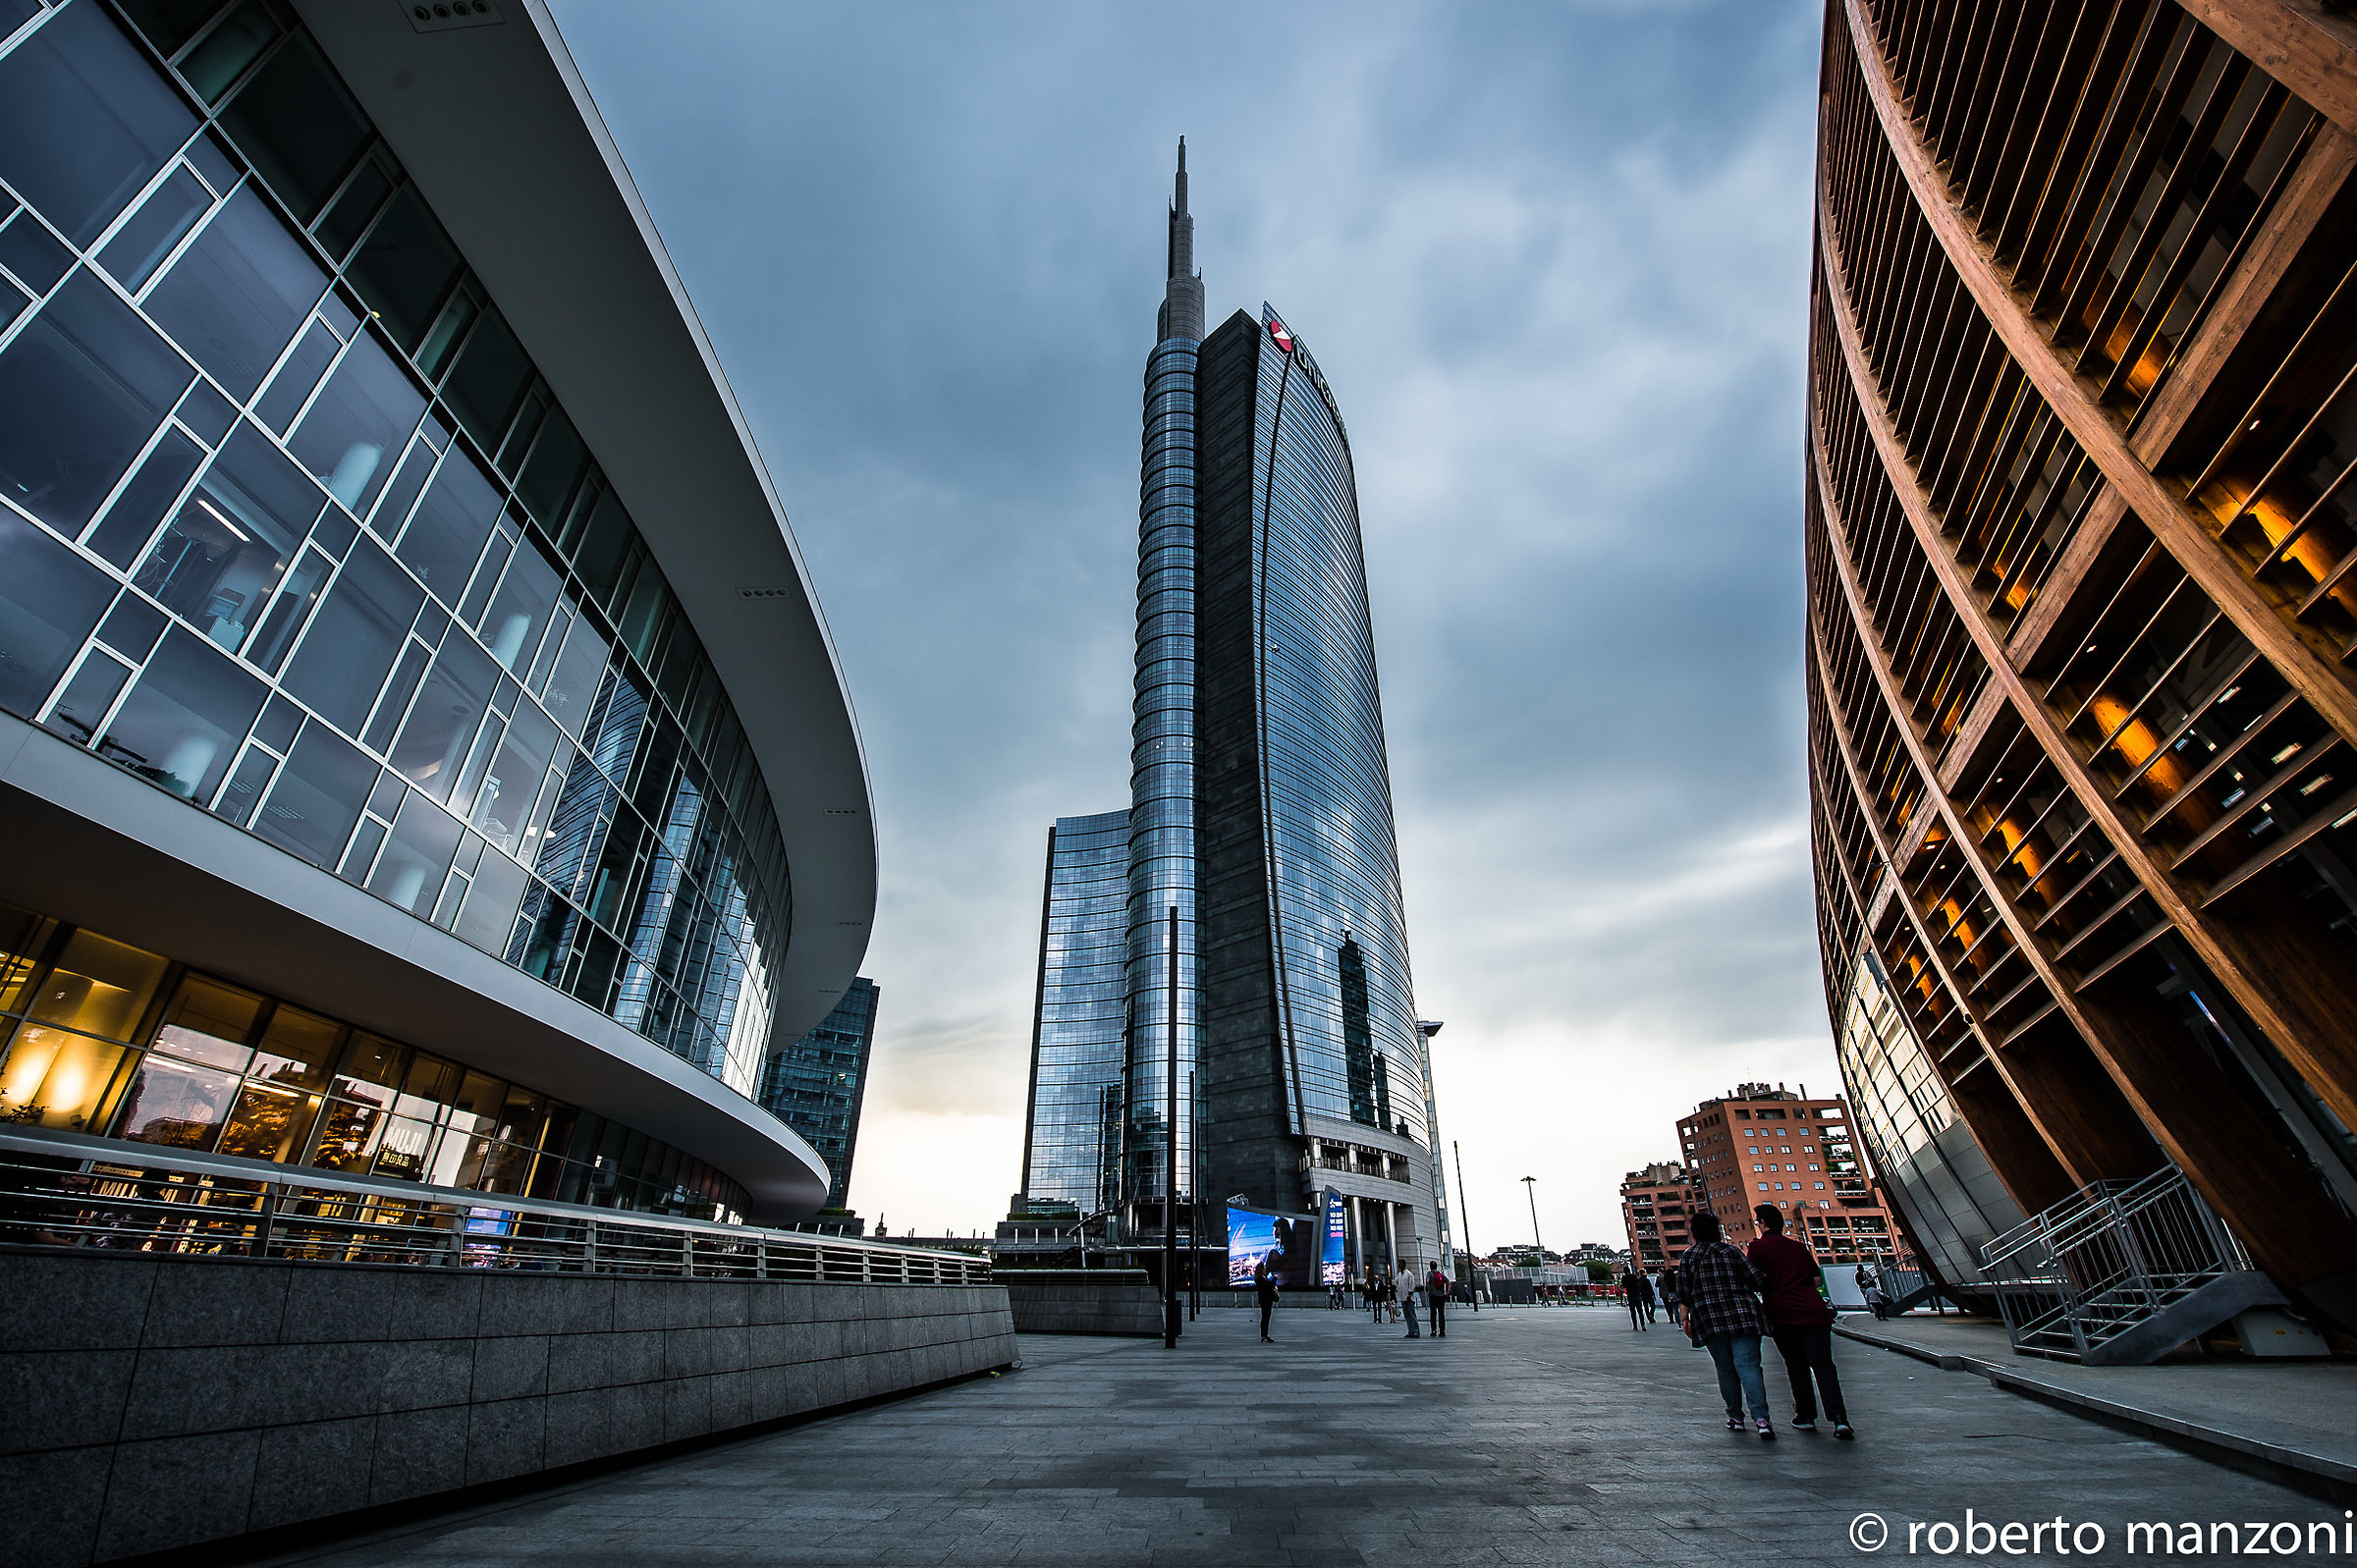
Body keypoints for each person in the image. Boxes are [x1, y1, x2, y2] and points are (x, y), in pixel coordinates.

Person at [1748, 1205, 1854, 1439]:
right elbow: (1816, 1279)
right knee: (1824, 1366)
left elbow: (1753, 1279)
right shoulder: (1797, 1247)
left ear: (1763, 1223)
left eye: (1757, 1222)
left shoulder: (1758, 1248)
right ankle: (1839, 1419)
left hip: (1782, 1315)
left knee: (1796, 1366)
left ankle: (1806, 1416)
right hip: (1814, 1313)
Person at [1678, 1211, 1775, 1439]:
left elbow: (1683, 1293)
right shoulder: (1731, 1251)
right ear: (1716, 1230)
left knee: (1725, 1369)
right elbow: (1757, 1280)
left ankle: (1735, 1417)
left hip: (1710, 1319)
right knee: (1749, 1366)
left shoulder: (1690, 1256)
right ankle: (1761, 1420)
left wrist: (1685, 1319)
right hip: (1743, 1316)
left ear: (1695, 1233)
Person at [1254, 1257, 1280, 1342]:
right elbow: (1268, 1287)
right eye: (1264, 1268)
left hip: (1267, 1300)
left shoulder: (1262, 1277)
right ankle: (1264, 1335)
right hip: (1265, 1300)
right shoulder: (1260, 1279)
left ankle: (1264, 1335)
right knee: (1265, 1318)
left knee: (1266, 1318)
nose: (1265, 1269)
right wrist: (1275, 1278)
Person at [1622, 1265, 1651, 1331]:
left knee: (1633, 1312)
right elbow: (1638, 1284)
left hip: (1630, 1296)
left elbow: (1623, 1286)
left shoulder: (1624, 1278)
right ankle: (1643, 1325)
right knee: (1640, 1311)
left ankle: (1635, 1326)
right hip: (1637, 1295)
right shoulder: (1633, 1276)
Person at [1426, 1262, 1451, 1337]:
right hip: (1441, 1296)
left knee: (1433, 1313)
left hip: (1433, 1296)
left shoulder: (1429, 1273)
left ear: (1430, 1267)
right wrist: (1447, 1293)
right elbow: (1448, 1282)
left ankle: (1433, 1330)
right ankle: (1442, 1331)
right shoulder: (1440, 1274)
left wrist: (1429, 1291)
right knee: (1441, 1314)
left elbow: (1427, 1281)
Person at [1398, 1262, 1422, 1337]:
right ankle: (1410, 1330)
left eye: (1400, 1264)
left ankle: (1416, 1331)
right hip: (1403, 1297)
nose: (1399, 1266)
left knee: (1412, 1315)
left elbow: (1412, 1285)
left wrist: (1409, 1294)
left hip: (1408, 1298)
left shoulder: (1409, 1274)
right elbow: (1396, 1282)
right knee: (1407, 1315)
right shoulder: (1399, 1274)